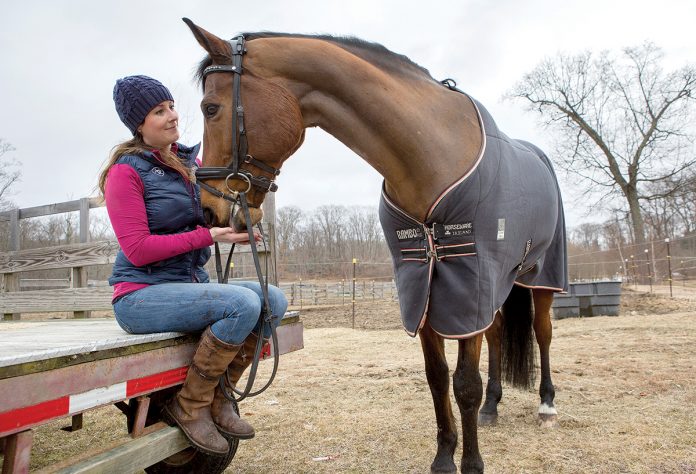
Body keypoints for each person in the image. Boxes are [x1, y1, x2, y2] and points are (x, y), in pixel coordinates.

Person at [99, 75, 288, 456]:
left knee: (273, 300)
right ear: (138, 124)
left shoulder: (191, 166)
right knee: (243, 304)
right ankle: (189, 405)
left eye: (170, 106)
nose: (172, 116)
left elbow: (207, 219)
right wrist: (208, 238)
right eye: (158, 111)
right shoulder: (125, 172)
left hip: (187, 285)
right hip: (141, 296)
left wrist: (232, 227)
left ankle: (219, 397)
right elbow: (137, 249)